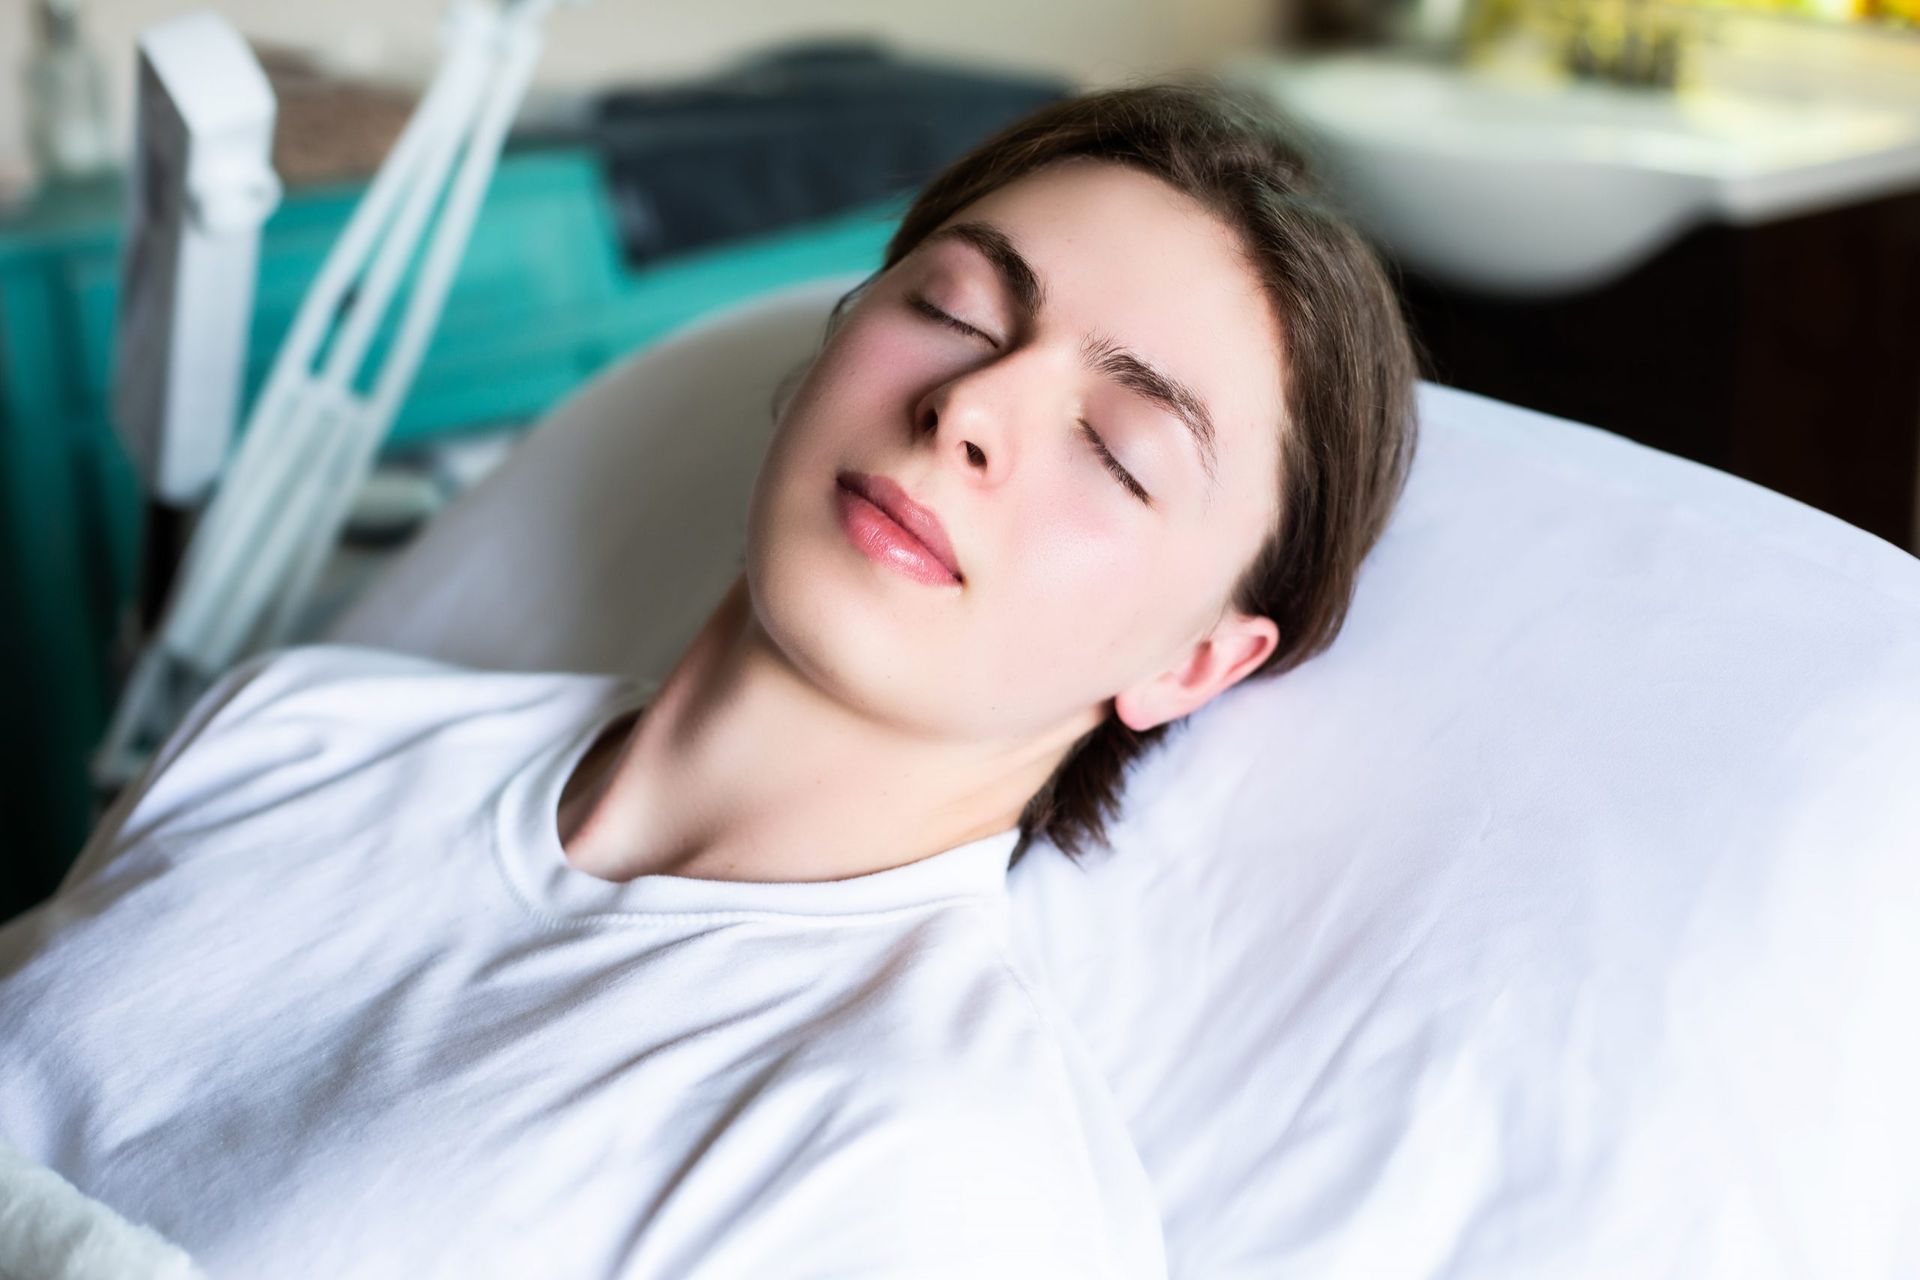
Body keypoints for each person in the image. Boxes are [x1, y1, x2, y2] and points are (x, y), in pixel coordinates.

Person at [0, 78, 1417, 1278]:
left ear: (1194, 663)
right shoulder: (303, 731)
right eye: (959, 312)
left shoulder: (929, 1180)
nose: (970, 409)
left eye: (1116, 450)